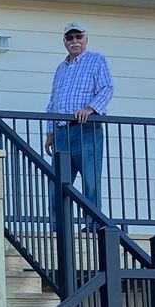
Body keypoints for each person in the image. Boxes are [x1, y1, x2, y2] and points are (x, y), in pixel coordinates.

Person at [44, 19, 112, 205]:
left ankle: (92, 226)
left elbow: (107, 88)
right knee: (57, 183)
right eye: (70, 37)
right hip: (61, 133)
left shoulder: (96, 60)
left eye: (78, 36)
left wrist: (89, 109)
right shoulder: (61, 68)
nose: (74, 40)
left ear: (85, 39)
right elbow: (53, 101)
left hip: (86, 130)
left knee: (90, 180)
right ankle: (57, 228)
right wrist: (50, 132)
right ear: (64, 41)